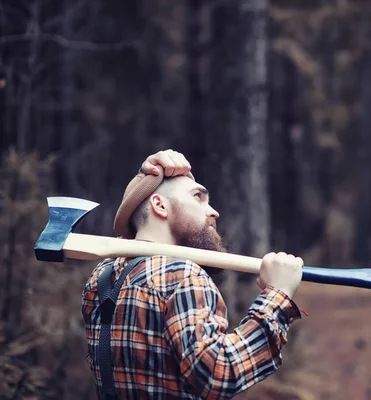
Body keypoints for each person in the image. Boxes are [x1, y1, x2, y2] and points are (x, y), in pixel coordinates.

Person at [81, 149, 304, 399]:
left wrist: (141, 181)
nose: (213, 212)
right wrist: (278, 296)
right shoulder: (183, 275)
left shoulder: (102, 277)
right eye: (198, 197)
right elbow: (219, 372)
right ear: (160, 205)